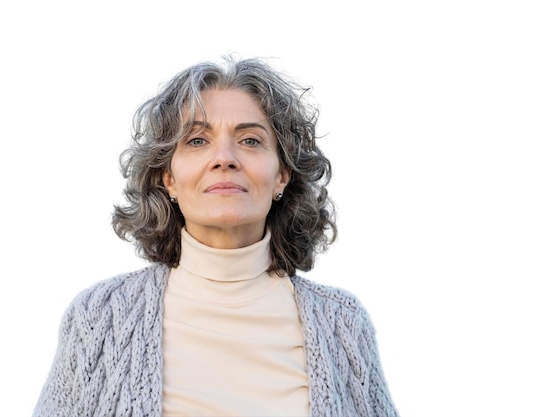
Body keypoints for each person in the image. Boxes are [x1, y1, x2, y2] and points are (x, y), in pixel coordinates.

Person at [33, 56, 399, 417]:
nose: (224, 158)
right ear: (169, 177)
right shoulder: (99, 317)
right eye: (196, 140)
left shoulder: (342, 325)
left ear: (282, 175)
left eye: (251, 140)